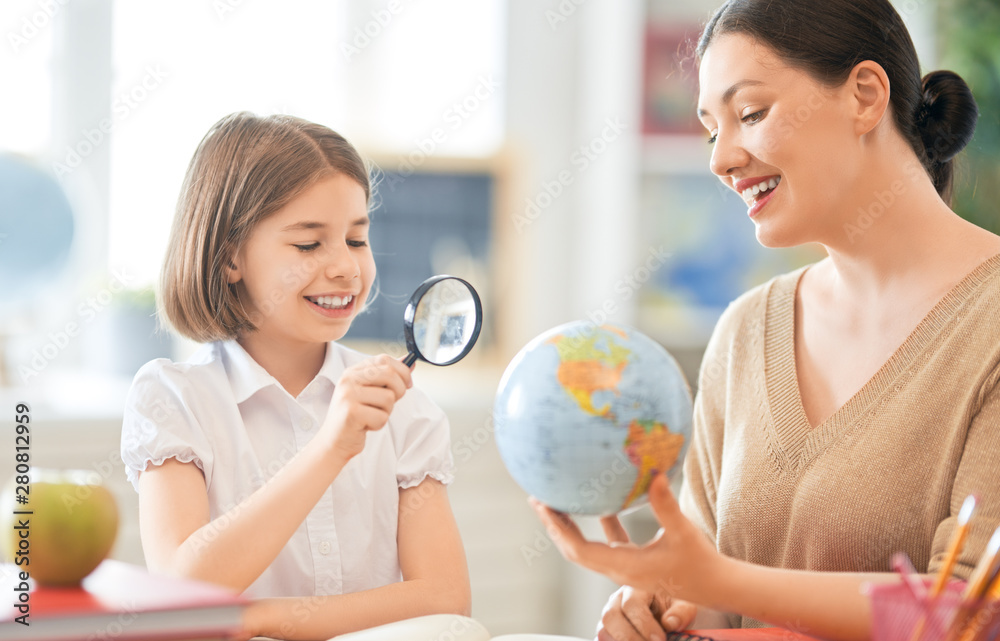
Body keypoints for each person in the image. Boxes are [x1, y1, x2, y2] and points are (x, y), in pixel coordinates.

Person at [530, 1, 1000, 640]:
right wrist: (665, 612)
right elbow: (710, 590)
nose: (722, 160)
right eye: (710, 131)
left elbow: (973, 614)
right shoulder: (747, 329)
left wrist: (715, 585)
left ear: (865, 96)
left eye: (750, 113)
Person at [120, 112, 470, 640]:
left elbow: (446, 598)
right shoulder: (174, 399)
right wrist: (331, 446)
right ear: (230, 256)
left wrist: (264, 619)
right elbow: (181, 587)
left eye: (356, 239)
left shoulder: (405, 410)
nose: (346, 268)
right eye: (309, 244)